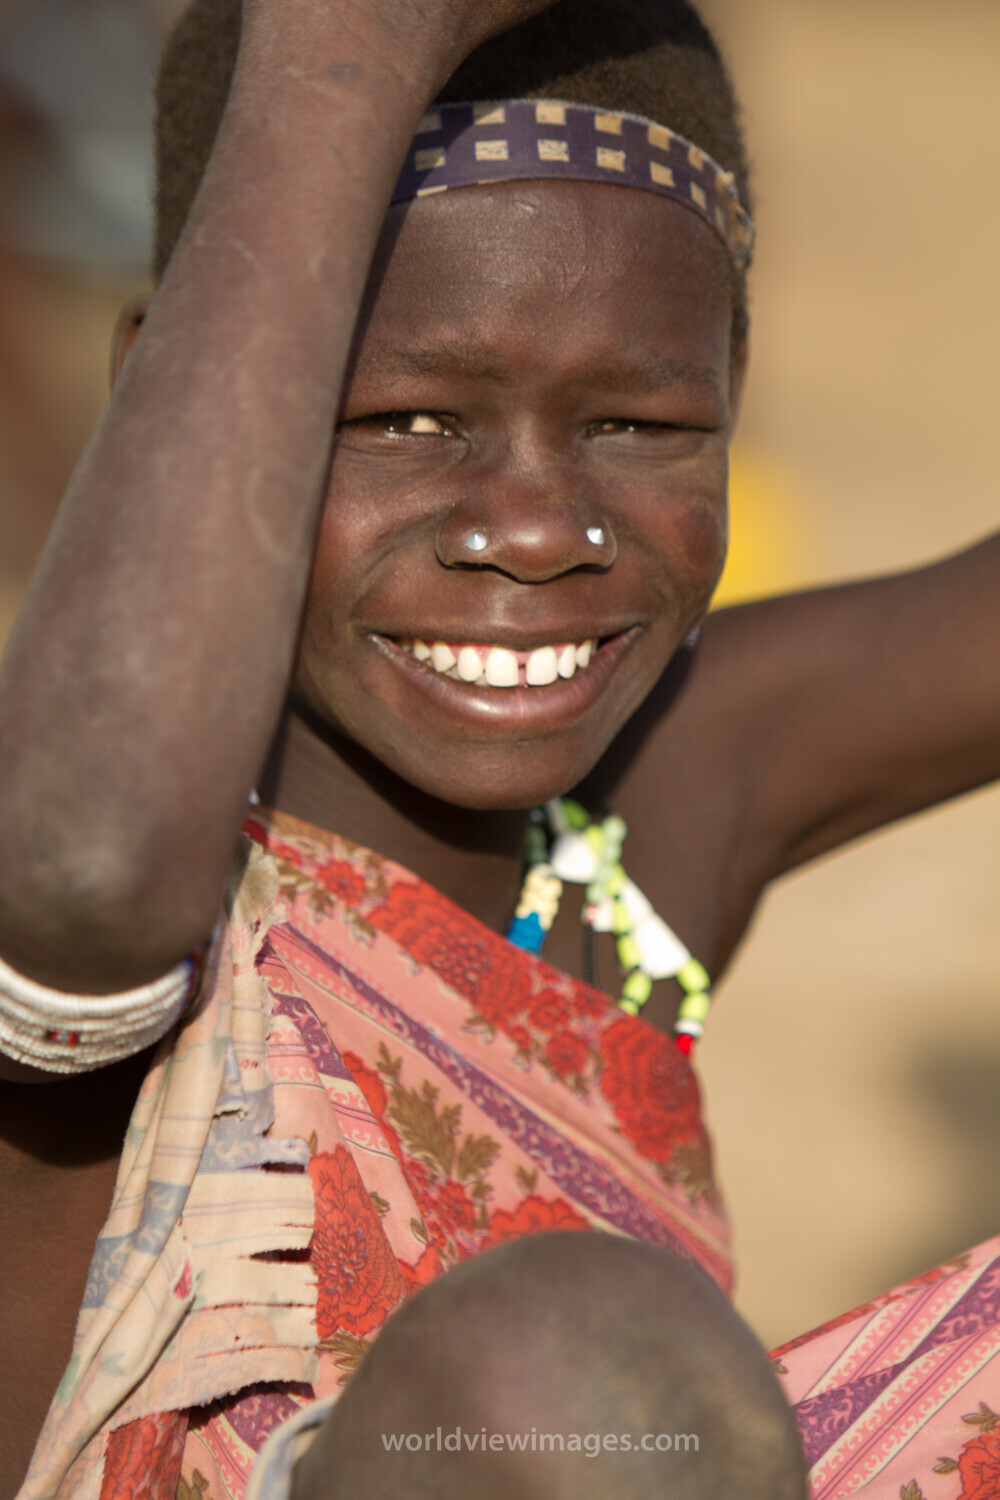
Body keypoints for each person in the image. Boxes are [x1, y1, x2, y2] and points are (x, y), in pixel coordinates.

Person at [0, 0, 998, 1496]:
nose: (535, 530)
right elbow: (89, 869)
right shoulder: (104, 828)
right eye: (406, 421)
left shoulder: (639, 817)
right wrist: (345, 48)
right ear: (179, 396)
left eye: (638, 427)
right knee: (565, 1376)